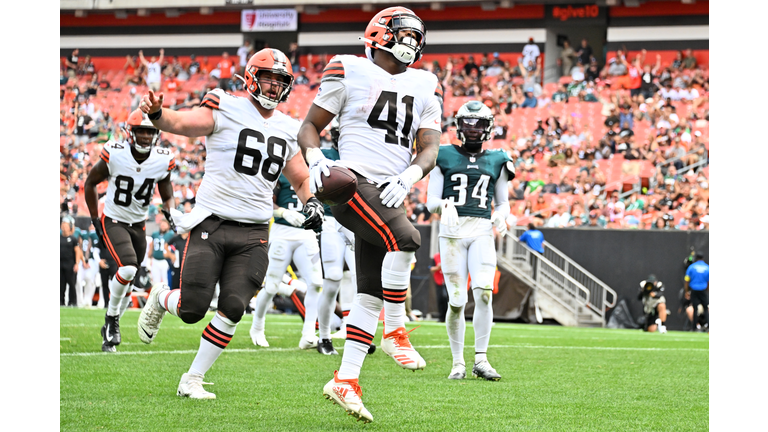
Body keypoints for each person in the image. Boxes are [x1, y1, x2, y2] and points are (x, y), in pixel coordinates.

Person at [136, 48, 324, 399]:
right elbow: (181, 124)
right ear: (252, 76)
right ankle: (161, 298)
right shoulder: (226, 105)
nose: (273, 87)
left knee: (234, 305)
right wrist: (159, 113)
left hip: (254, 231)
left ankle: (192, 378)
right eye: (268, 78)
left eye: (280, 81)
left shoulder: (288, 128)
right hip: (213, 223)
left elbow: (299, 179)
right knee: (192, 309)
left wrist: (311, 202)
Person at [297, 7, 442, 423]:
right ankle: (395, 331)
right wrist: (315, 157)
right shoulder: (349, 68)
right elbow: (309, 127)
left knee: (368, 292)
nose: (412, 43)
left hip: (390, 189)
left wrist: (411, 174)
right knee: (409, 239)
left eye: (418, 38)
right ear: (379, 35)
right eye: (405, 35)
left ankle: (346, 379)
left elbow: (429, 146)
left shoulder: (426, 83)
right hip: (350, 182)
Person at [426, 100, 513, 382]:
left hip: (481, 230)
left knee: (484, 291)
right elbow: (430, 202)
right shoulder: (444, 155)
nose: (473, 129)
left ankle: (481, 359)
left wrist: (501, 216)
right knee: (456, 300)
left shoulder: (498, 158)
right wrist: (443, 207)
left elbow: (503, 203)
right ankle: (457, 363)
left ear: (488, 128)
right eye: (467, 123)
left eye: (478, 124)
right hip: (451, 232)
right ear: (459, 125)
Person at [83, 109, 177, 352]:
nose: (146, 136)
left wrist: (171, 212)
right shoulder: (115, 153)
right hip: (114, 219)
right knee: (127, 268)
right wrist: (95, 218)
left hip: (139, 224)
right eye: (141, 131)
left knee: (128, 282)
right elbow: (91, 182)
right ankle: (111, 319)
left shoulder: (162, 159)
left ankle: (108, 332)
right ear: (130, 132)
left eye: (150, 131)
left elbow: (167, 196)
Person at [248, 171, 324, 350]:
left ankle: (308, 334)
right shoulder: (278, 172)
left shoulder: (314, 170)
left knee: (316, 283)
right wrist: (282, 212)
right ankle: (257, 326)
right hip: (282, 233)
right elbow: (264, 202)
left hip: (307, 233)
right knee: (272, 285)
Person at [315, 118, 361, 355]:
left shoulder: (363, 156)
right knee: (332, 278)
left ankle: (358, 334)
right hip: (331, 221)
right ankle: (323, 337)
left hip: (355, 220)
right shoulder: (321, 156)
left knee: (360, 279)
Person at [61, 220, 84, 307]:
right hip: (60, 264)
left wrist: (77, 263)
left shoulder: (73, 239)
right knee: (61, 284)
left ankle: (72, 302)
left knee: (71, 283)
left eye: (66, 226)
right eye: (63, 226)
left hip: (70, 264)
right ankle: (61, 302)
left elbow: (77, 251)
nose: (64, 227)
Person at [684, 252, 709, 332]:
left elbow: (687, 280)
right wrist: (707, 290)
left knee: (695, 309)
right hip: (703, 290)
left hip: (694, 290)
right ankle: (709, 326)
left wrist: (687, 291)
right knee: (706, 309)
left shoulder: (691, 267)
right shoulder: (707, 267)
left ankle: (694, 327)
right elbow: (709, 281)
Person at [148, 219, 175, 287]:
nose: (163, 226)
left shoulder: (170, 234)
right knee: (155, 281)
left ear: (168, 226)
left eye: (165, 224)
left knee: (165, 281)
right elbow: (152, 244)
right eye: (162, 224)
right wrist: (150, 254)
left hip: (165, 260)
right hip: (155, 259)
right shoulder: (155, 234)